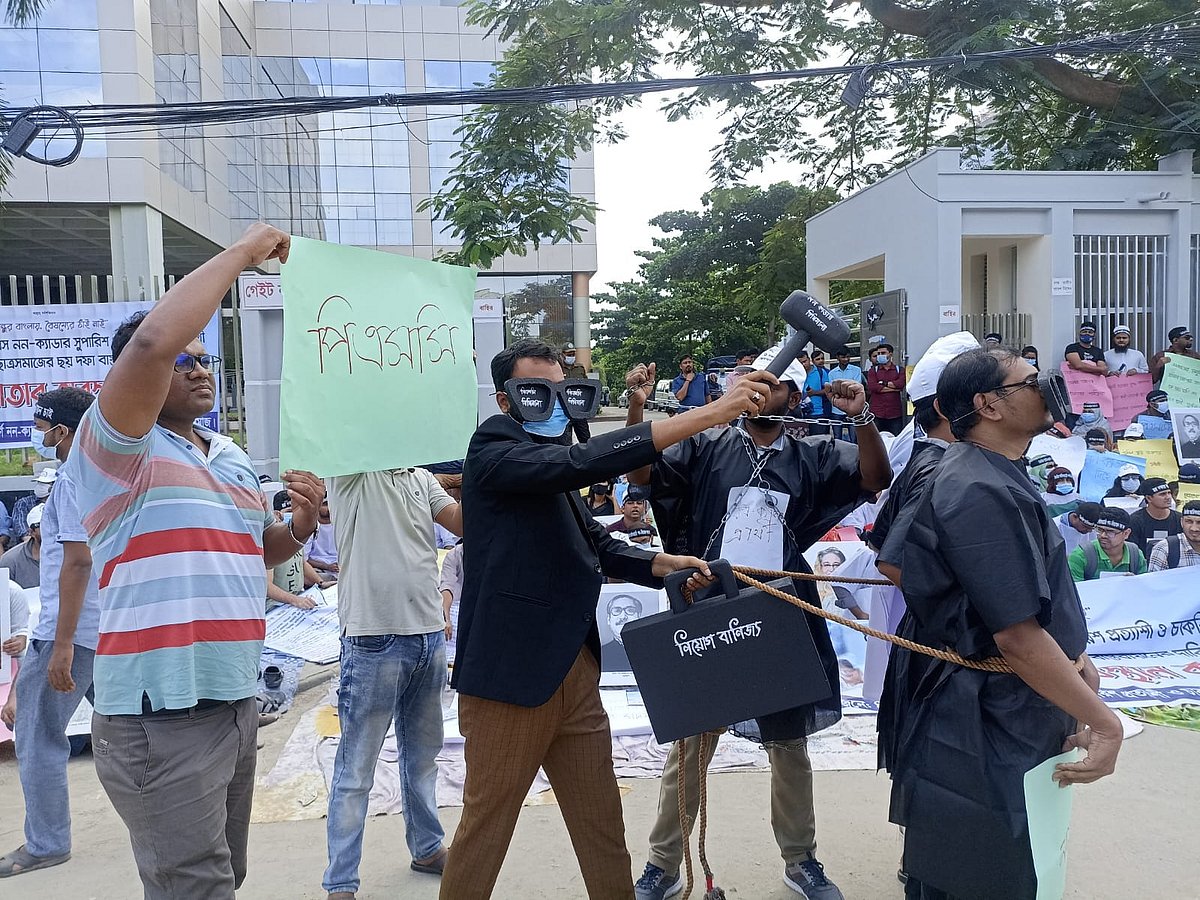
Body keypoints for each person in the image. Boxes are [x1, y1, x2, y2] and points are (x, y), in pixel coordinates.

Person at [440, 338, 765, 900]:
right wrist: (711, 413)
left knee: (602, 829)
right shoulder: (494, 451)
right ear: (505, 399)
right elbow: (580, 462)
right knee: (486, 830)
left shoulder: (554, 462)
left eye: (562, 389)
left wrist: (665, 563)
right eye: (534, 391)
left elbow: (597, 543)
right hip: (509, 685)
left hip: (575, 671)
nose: (553, 402)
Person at [69, 223, 325, 899]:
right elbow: (151, 343)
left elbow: (253, 546)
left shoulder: (228, 453)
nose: (198, 368)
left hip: (235, 698)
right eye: (182, 362)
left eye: (205, 359)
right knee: (197, 885)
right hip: (160, 714)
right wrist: (245, 253)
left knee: (220, 876)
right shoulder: (116, 448)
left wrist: (298, 527)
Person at [625, 345, 891, 900]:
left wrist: (863, 417)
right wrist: (637, 408)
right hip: (711, 607)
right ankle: (664, 865)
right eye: (752, 383)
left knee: (790, 744)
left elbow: (874, 478)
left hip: (780, 609)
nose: (761, 392)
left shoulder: (816, 454)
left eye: (773, 385)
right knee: (692, 745)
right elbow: (642, 472)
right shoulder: (702, 443)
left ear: (792, 396)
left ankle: (801, 861)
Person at [891, 347, 1119, 900]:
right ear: (989, 405)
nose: (1046, 386)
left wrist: (1074, 661)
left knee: (1010, 865)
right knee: (986, 871)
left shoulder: (993, 472)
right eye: (1029, 380)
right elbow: (1015, 637)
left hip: (1006, 707)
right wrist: (1104, 723)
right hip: (985, 720)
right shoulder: (978, 488)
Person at [322, 465, 464, 899]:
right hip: (372, 638)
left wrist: (480, 471)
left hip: (427, 635)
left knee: (423, 758)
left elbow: (461, 522)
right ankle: (341, 883)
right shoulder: (351, 474)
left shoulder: (419, 477)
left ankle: (426, 848)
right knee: (356, 770)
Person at [0, 388, 103, 881]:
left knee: (38, 738)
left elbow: (77, 562)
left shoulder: (72, 481)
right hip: (109, 626)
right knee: (137, 730)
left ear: (63, 430)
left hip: (73, 630)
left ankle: (46, 843)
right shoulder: (105, 473)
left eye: (43, 429)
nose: (40, 437)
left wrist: (60, 644)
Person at [1067, 507, 1147, 581]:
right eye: (1100, 530)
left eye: (1110, 532)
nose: (1103, 536)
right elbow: (1074, 591)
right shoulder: (1081, 555)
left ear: (1126, 533)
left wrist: (1135, 583)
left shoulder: (1135, 555)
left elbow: (1144, 588)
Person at [1127, 478, 1183, 557]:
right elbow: (1132, 551)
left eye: (1169, 493)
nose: (1168, 497)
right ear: (1149, 498)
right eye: (1162, 494)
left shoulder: (1180, 519)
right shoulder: (1135, 521)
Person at [866, 344, 906, 435]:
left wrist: (883, 383)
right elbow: (873, 387)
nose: (880, 355)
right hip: (877, 413)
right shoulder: (873, 371)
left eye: (883, 353)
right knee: (876, 441)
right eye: (879, 353)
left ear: (890, 354)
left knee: (896, 440)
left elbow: (900, 384)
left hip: (895, 414)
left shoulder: (899, 370)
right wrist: (894, 389)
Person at [1148, 500, 1200, 570]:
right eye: (1189, 521)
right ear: (1181, 522)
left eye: (1199, 522)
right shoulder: (1165, 549)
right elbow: (1153, 580)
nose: (1194, 528)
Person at [0, 505, 42, 589]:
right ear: (31, 532)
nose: (51, 528)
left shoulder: (70, 556)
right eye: (42, 525)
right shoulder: (10, 560)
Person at [598, 592, 642, 672]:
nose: (623, 617)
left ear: (639, 616)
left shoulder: (653, 651)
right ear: (608, 619)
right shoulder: (600, 654)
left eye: (630, 610)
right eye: (617, 611)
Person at [828, 349, 865, 441]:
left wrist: (842, 391)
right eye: (843, 357)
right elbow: (833, 390)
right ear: (837, 358)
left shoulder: (856, 370)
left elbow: (856, 387)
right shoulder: (832, 373)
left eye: (848, 357)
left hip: (852, 407)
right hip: (837, 409)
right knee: (837, 438)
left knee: (854, 437)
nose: (846, 359)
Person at [10, 469, 56, 543]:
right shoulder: (23, 503)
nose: (40, 486)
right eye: (39, 482)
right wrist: (30, 538)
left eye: (45, 483)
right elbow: (20, 526)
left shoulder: (59, 503)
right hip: (30, 543)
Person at [561, 343, 593, 443]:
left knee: (586, 439)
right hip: (564, 410)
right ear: (562, 355)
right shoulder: (558, 368)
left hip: (579, 409)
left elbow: (585, 385)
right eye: (569, 354)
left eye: (573, 354)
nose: (571, 356)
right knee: (565, 442)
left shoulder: (580, 368)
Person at [305, 493, 340, 578]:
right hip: (319, 570)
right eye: (325, 505)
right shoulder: (310, 527)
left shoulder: (341, 525)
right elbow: (305, 560)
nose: (329, 508)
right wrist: (327, 566)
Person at [803, 349, 833, 435]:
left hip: (819, 413)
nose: (803, 364)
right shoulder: (797, 374)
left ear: (809, 360)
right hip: (801, 415)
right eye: (818, 359)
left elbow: (828, 390)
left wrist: (814, 393)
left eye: (805, 361)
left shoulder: (822, 372)